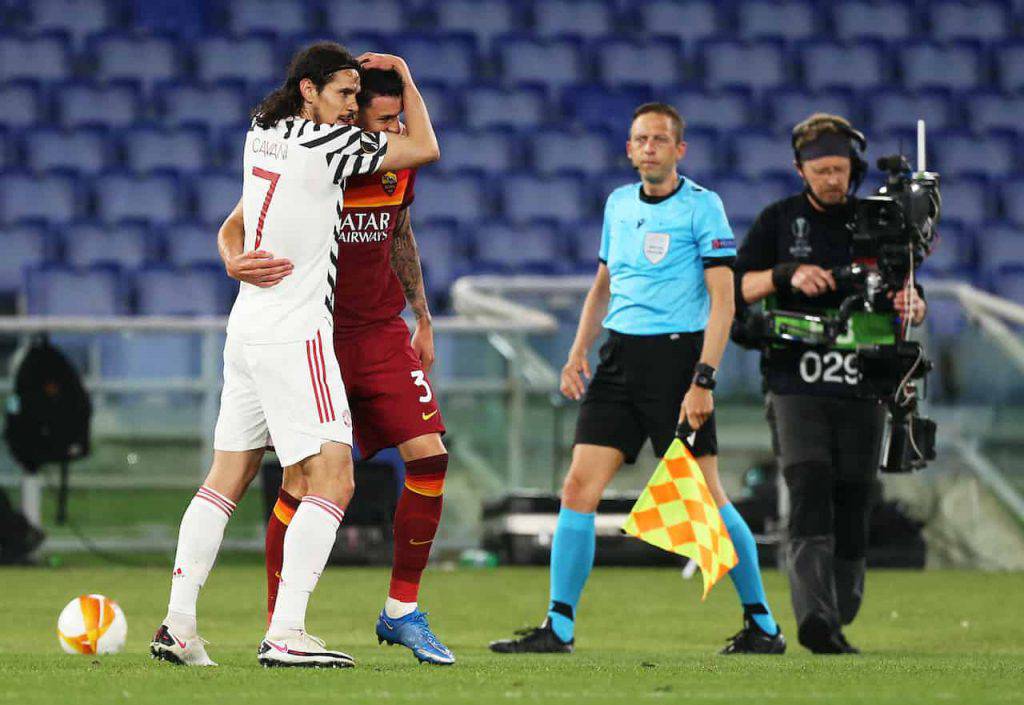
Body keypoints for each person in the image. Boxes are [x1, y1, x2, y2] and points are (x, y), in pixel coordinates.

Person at [149, 42, 439, 668]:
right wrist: (407, 80)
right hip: (297, 330)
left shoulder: (264, 128)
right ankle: (287, 634)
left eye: (357, 99)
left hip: (248, 325)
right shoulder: (330, 146)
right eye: (343, 95)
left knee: (226, 477)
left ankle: (178, 625)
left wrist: (231, 258)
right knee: (334, 478)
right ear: (309, 90)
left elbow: (236, 221)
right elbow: (425, 148)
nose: (351, 108)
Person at [489, 103, 786, 656]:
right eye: (639, 139)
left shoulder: (703, 207)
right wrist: (578, 350)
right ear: (629, 150)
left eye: (659, 140)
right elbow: (603, 284)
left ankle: (763, 624)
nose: (648, 147)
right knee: (578, 487)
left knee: (706, 495)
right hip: (618, 361)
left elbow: (724, 302)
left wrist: (704, 380)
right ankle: (559, 626)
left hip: (678, 365)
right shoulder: (618, 204)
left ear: (679, 150)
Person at [218, 67, 452, 665]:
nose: (395, 130)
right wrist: (233, 261)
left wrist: (422, 315)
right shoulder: (318, 156)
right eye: (382, 119)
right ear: (352, 115)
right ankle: (280, 624)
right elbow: (235, 225)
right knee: (300, 480)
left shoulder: (391, 164)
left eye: (399, 119)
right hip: (311, 332)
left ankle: (401, 611)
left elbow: (400, 233)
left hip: (379, 332)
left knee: (430, 455)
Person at [733, 113, 926, 654]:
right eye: (820, 170)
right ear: (800, 170)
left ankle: (837, 610)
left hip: (863, 380)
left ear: (853, 168)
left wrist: (915, 303)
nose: (831, 179)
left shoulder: (879, 222)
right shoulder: (777, 221)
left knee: (854, 496)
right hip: (796, 378)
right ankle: (817, 620)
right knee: (810, 487)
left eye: (839, 169)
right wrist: (783, 275)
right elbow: (731, 286)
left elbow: (909, 289)